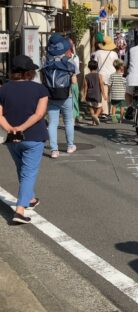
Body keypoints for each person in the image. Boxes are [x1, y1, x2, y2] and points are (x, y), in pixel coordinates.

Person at [0, 55, 49, 224]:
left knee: (22, 170)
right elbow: (39, 114)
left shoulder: (3, 89)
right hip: (34, 136)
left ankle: (30, 199)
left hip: (11, 139)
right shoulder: (40, 89)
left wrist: (10, 129)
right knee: (28, 173)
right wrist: (22, 127)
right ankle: (20, 211)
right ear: (28, 73)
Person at [44, 33, 77, 159]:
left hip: (51, 94)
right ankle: (70, 146)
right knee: (68, 121)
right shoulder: (69, 62)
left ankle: (54, 150)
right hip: (66, 95)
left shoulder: (46, 60)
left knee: (53, 123)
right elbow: (73, 82)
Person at [94, 36, 119, 120]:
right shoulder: (114, 54)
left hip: (102, 76)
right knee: (113, 94)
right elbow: (117, 65)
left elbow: (95, 64)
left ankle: (104, 112)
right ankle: (113, 112)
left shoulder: (97, 53)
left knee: (103, 94)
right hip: (113, 75)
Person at [82, 60, 106, 125]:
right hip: (97, 94)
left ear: (89, 67)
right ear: (97, 67)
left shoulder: (86, 76)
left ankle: (93, 121)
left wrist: (84, 95)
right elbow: (101, 85)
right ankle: (96, 115)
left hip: (89, 94)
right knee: (100, 107)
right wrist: (104, 94)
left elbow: (85, 87)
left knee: (91, 107)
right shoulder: (99, 75)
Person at [66, 38, 81, 125]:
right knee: (74, 100)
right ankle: (74, 118)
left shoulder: (61, 56)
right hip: (73, 81)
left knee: (68, 101)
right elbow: (76, 71)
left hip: (64, 82)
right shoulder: (75, 57)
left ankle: (72, 118)